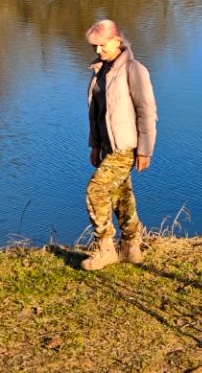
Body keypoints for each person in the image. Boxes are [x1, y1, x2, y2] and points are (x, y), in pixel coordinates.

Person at [81, 18, 157, 271]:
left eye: (102, 45)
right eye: (95, 47)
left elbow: (146, 112)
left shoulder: (134, 70)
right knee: (121, 195)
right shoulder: (100, 70)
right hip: (107, 147)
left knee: (96, 191)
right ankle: (131, 247)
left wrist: (144, 150)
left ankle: (105, 249)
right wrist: (95, 145)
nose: (98, 51)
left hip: (126, 146)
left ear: (117, 40)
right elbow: (96, 112)